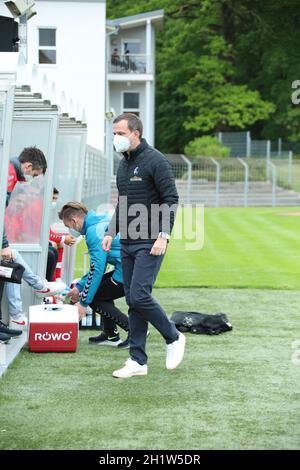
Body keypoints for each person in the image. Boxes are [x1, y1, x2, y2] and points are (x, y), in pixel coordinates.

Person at [102, 113, 186, 379]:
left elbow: (170, 199)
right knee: (132, 300)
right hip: (126, 241)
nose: (116, 138)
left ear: (135, 133)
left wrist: (163, 235)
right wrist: (111, 231)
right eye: (114, 133)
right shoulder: (123, 165)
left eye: (120, 133)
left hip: (150, 241)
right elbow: (123, 203)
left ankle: (173, 337)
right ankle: (138, 360)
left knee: (138, 295)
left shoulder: (156, 161)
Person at [2, 147, 65, 327]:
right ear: (28, 166)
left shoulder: (10, 170)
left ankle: (17, 313)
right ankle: (38, 288)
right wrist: (4, 244)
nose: (32, 180)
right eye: (35, 175)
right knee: (10, 257)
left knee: (11, 260)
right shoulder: (9, 173)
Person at [58, 202, 129, 347]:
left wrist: (83, 303)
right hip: (129, 268)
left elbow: (97, 270)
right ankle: (110, 335)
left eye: (68, 226)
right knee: (97, 291)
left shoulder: (93, 232)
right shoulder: (99, 220)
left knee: (94, 298)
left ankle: (135, 330)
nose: (70, 230)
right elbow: (97, 268)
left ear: (75, 221)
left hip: (129, 271)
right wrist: (79, 287)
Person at [49, 188, 76, 281]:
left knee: (59, 244)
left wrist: (62, 239)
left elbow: (48, 232)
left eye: (56, 199)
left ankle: (58, 279)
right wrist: (64, 238)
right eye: (52, 198)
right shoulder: (38, 207)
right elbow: (45, 234)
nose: (54, 201)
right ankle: (51, 281)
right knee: (53, 244)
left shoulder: (46, 209)